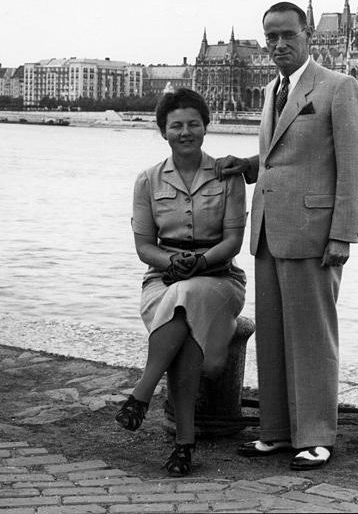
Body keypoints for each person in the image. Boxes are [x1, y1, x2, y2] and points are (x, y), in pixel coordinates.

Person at [215, 1, 358, 470]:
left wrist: (343, 235)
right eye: (271, 38)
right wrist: (248, 166)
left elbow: (355, 167)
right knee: (276, 337)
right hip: (268, 231)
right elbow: (281, 155)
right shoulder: (272, 89)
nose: (279, 45)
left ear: (308, 37)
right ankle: (277, 432)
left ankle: (317, 435)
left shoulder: (339, 88)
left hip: (314, 234)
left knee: (312, 339)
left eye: (287, 35)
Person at [116, 87, 247, 476]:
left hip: (221, 279)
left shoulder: (228, 176)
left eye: (193, 124)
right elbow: (144, 246)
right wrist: (175, 262)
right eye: (176, 126)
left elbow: (233, 241)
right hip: (162, 279)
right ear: (164, 132)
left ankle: (142, 394)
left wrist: (201, 262)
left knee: (185, 296)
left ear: (206, 127)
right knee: (183, 313)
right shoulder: (147, 181)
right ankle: (184, 444)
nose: (185, 132)